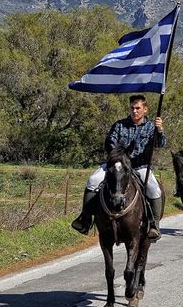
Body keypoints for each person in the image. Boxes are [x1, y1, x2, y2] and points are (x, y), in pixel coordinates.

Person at [71, 94, 166, 239]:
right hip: (117, 165)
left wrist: (159, 130)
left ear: (145, 109)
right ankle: (85, 220)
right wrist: (118, 155)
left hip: (140, 166)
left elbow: (160, 144)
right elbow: (110, 141)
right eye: (132, 108)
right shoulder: (119, 125)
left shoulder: (150, 128)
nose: (134, 111)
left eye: (138, 108)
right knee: (93, 180)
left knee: (154, 189)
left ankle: (154, 225)